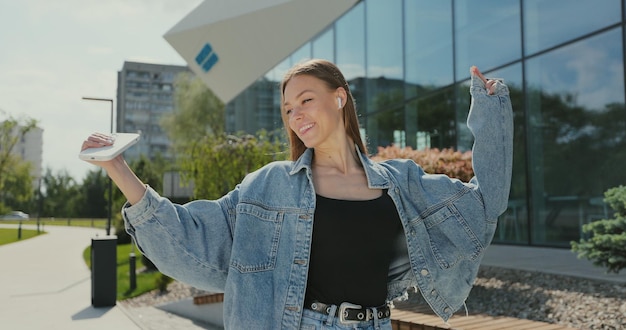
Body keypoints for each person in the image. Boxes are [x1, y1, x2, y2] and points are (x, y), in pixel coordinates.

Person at [81, 59, 512, 329]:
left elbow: (482, 205)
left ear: (340, 98)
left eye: (306, 100)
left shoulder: (401, 182)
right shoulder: (269, 185)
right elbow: (191, 236)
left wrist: (491, 113)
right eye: (288, 109)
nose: (296, 115)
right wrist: (118, 168)